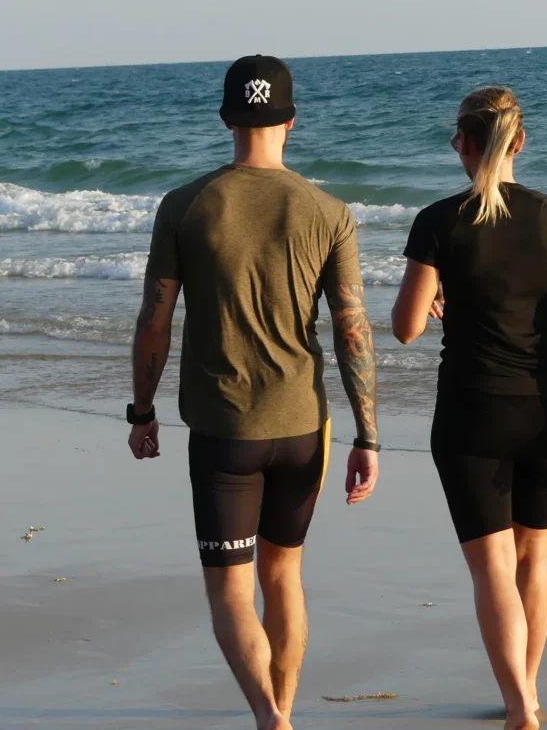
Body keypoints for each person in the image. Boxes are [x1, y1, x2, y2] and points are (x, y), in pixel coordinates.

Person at [126, 55, 380, 730]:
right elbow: (353, 329)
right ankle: (285, 711)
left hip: (224, 431)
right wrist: (369, 435)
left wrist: (142, 411)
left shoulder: (185, 206)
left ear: (227, 118)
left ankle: (271, 719)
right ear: (290, 122)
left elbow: (155, 321)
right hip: (304, 428)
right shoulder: (329, 211)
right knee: (283, 578)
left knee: (231, 590)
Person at [391, 86, 547, 730]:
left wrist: (433, 299)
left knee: (492, 567)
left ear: (467, 144)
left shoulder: (438, 221)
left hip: (472, 412)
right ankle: (527, 694)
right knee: (535, 558)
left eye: (456, 139)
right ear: (521, 141)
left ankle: (517, 708)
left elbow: (403, 329)